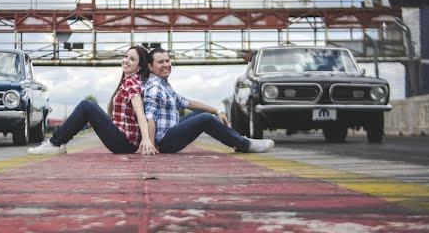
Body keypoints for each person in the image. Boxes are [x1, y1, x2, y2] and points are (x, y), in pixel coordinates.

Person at [28, 45, 159, 155]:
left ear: (140, 66)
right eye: (125, 56)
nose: (126, 60)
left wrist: (146, 140)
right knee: (89, 106)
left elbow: (140, 114)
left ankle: (54, 143)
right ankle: (59, 142)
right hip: (124, 140)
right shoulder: (128, 82)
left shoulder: (132, 83)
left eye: (132, 59)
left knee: (87, 106)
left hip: (125, 143)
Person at [143, 47, 275, 153]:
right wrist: (153, 145)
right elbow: (150, 118)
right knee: (205, 118)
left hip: (170, 132)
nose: (166, 65)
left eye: (167, 61)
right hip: (164, 141)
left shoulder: (163, 85)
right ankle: (244, 144)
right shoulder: (155, 87)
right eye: (160, 62)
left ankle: (238, 140)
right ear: (150, 67)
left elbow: (188, 103)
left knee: (202, 114)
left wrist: (217, 111)